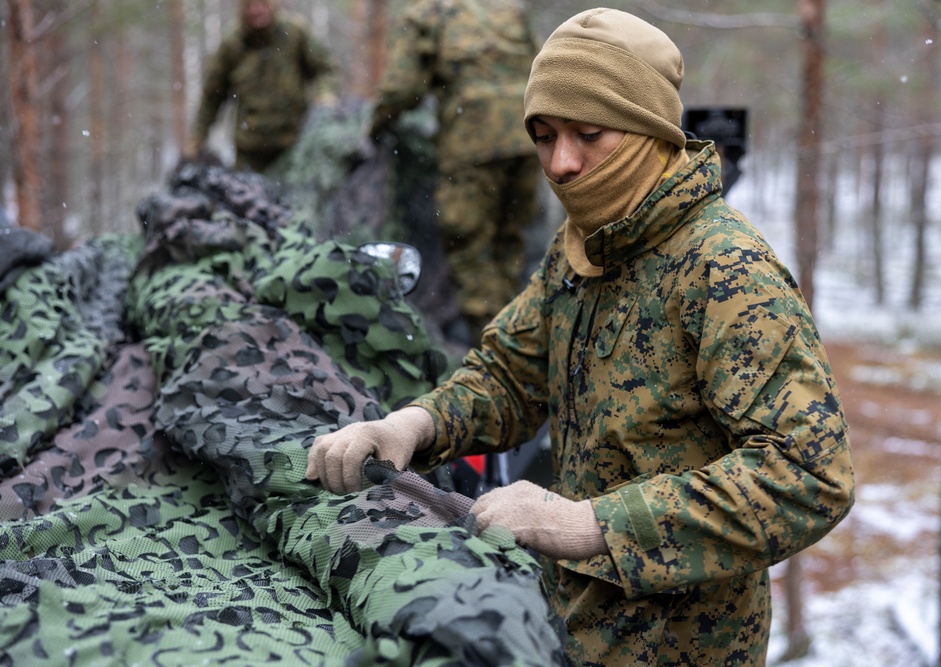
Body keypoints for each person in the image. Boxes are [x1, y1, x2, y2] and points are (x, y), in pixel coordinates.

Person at [307, 7, 854, 665]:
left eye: (589, 134)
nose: (561, 163)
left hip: (680, 647)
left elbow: (808, 472)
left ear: (649, 129)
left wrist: (588, 525)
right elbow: (512, 372)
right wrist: (414, 425)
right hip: (568, 628)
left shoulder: (724, 267)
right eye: (544, 136)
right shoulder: (584, 246)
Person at [369, 0, 540, 346]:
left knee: (469, 245)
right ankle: (522, 335)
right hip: (529, 135)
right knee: (508, 240)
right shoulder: (506, 9)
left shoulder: (427, 14)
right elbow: (542, 67)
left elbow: (403, 89)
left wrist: (376, 125)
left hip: (473, 141)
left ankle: (498, 353)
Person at [184, 0, 339, 173]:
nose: (256, 10)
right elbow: (212, 96)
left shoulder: (294, 32)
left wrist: (325, 95)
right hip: (249, 149)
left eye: (262, 4)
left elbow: (325, 69)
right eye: (250, 5)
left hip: (292, 143)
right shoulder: (232, 43)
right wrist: (198, 137)